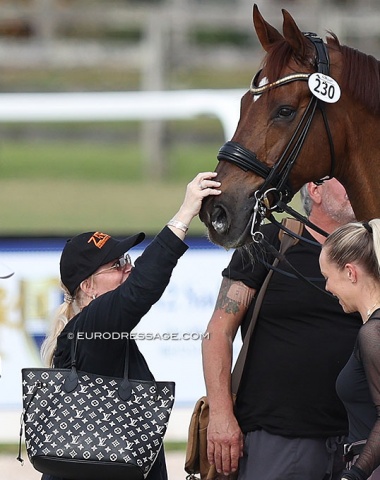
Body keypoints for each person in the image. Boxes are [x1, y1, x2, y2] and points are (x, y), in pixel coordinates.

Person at [40, 171, 221, 480]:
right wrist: (184, 212)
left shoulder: (93, 330)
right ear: (88, 285)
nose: (129, 267)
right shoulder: (90, 326)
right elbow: (139, 290)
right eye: (117, 264)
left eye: (126, 258)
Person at [202, 178, 362, 480]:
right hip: (277, 438)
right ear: (314, 191)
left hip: (359, 441)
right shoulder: (271, 240)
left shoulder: (372, 251)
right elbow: (218, 332)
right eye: (344, 179)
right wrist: (221, 415)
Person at [319, 219, 380, 480]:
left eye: (327, 277)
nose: (327, 288)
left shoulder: (373, 333)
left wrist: (355, 473)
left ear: (351, 273)